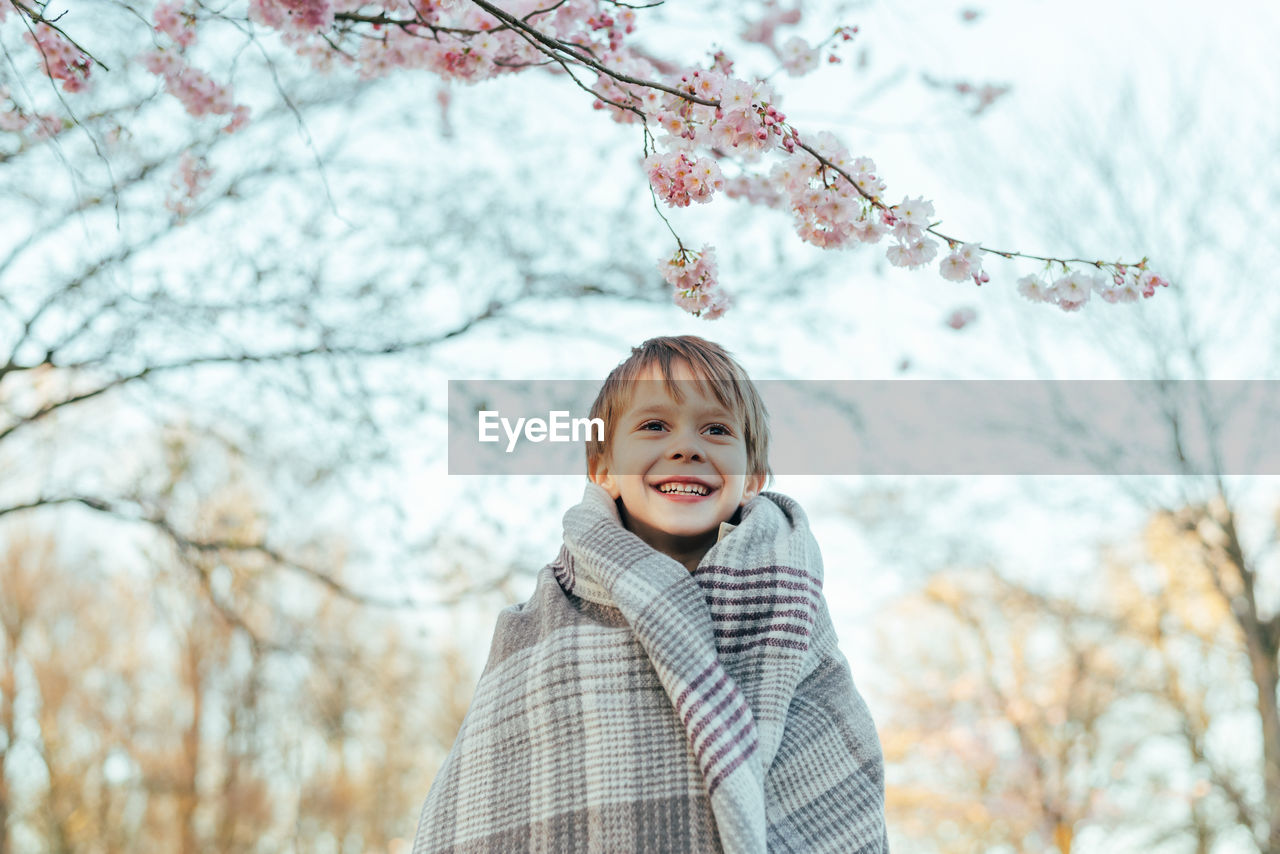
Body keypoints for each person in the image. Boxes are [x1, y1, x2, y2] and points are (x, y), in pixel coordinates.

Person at [413, 335, 887, 853]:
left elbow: (836, 797)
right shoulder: (541, 629)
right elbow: (489, 805)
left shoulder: (791, 618)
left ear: (752, 478)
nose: (686, 446)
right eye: (654, 426)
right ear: (604, 472)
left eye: (717, 429)